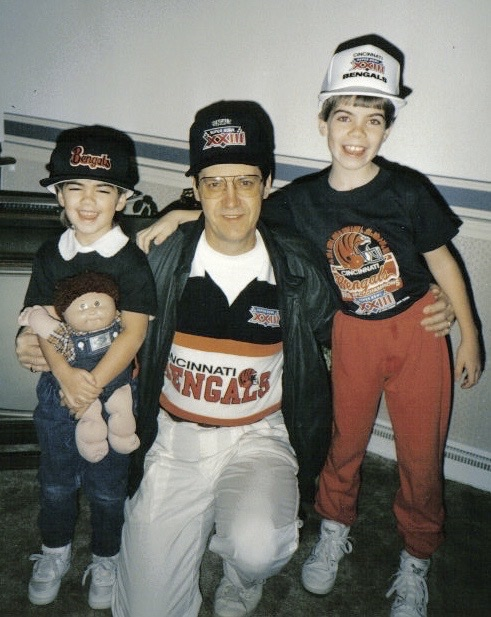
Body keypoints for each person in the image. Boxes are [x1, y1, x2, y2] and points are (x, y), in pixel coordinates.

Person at [132, 36, 477, 617]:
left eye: (373, 119)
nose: (357, 132)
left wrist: (460, 322)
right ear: (322, 122)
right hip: (334, 344)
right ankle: (334, 529)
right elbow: (230, 202)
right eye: (344, 115)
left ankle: (415, 555)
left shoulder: (401, 193)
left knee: (420, 456)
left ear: (389, 128)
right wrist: (183, 212)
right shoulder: (296, 203)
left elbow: (440, 257)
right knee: (343, 446)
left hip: (412, 333)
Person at [112, 100, 338, 617]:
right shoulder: (158, 256)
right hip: (176, 439)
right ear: (195, 189)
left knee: (258, 546)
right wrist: (41, 338)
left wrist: (424, 304)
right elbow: (92, 308)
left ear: (268, 182)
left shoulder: (297, 268)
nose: (231, 199)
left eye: (246, 181)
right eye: (214, 183)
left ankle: (239, 579)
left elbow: (348, 330)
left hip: (260, 435)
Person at [18, 125, 157, 609]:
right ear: (59, 192)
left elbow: (135, 332)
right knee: (55, 481)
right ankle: (53, 551)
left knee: (106, 487)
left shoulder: (131, 262)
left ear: (122, 199)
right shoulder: (51, 254)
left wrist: (93, 383)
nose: (89, 201)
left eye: (103, 189)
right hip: (59, 395)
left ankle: (105, 557)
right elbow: (43, 325)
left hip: (113, 392)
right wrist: (66, 377)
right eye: (75, 187)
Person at [18, 271, 140, 463]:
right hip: (76, 388)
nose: (91, 311)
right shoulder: (68, 335)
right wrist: (35, 317)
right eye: (82, 307)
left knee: (122, 407)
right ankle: (92, 443)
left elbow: (138, 324)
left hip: (118, 384)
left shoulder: (118, 321)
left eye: (98, 304)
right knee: (88, 420)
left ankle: (123, 436)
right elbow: (50, 330)